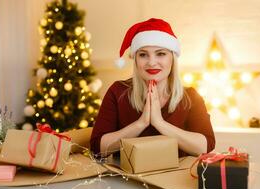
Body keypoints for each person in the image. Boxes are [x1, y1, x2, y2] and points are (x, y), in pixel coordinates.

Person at [90, 18, 215, 158]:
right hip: (125, 179)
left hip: (175, 178)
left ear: (172, 59)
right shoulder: (118, 91)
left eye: (161, 54)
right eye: (143, 55)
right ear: (136, 59)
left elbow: (205, 146)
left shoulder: (190, 96)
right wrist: (141, 123)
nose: (152, 62)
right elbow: (97, 147)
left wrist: (159, 123)